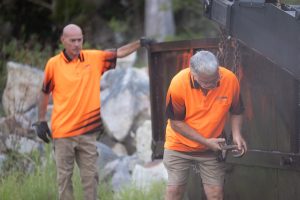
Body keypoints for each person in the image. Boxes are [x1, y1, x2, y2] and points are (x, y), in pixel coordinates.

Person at [33, 24, 152, 200]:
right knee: (64, 180)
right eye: (72, 40)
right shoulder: (53, 64)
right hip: (63, 133)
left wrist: (140, 43)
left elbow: (118, 52)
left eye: (79, 40)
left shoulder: (94, 58)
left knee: (91, 178)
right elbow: (44, 92)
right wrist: (41, 120)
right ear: (63, 40)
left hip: (87, 134)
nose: (76, 44)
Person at [163, 50, 247, 200]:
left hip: (211, 147)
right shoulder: (178, 84)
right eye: (207, 82)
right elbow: (176, 123)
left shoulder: (229, 79)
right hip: (179, 145)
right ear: (193, 74)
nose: (213, 85)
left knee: (216, 194)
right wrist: (205, 142)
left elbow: (237, 110)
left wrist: (236, 134)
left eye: (215, 79)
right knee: (174, 192)